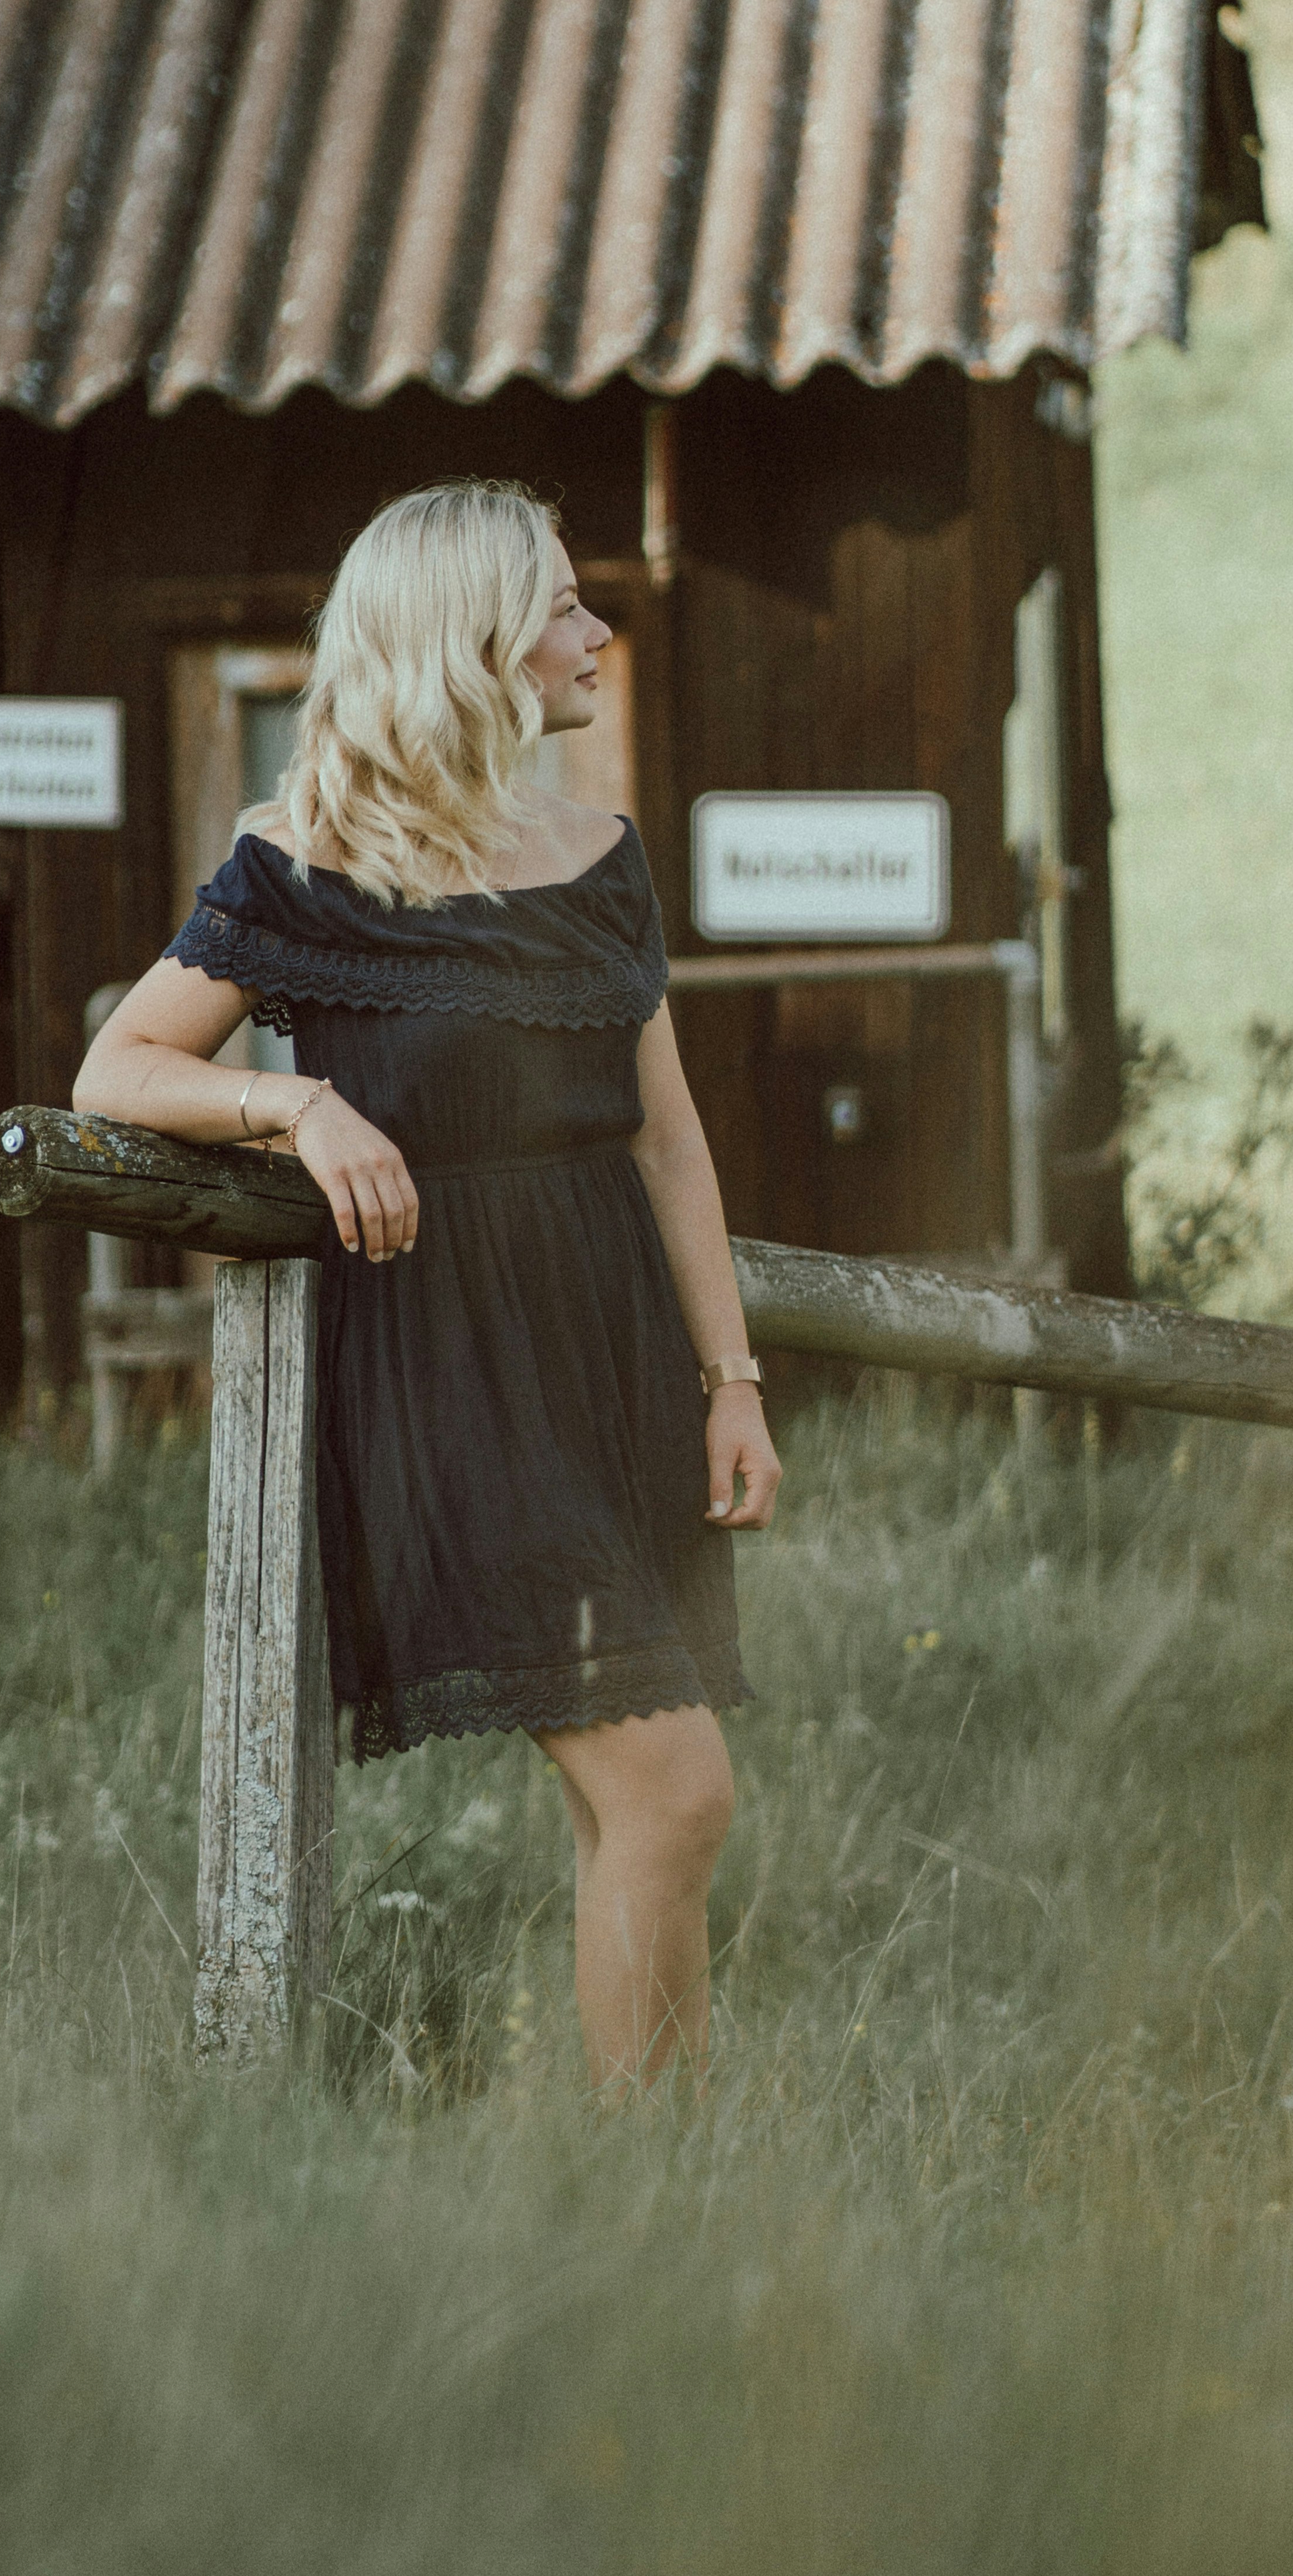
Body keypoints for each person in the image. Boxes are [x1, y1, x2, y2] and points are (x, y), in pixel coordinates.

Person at [76, 484, 780, 2094]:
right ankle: (653, 2170)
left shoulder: (601, 857)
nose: (599, 633)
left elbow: (668, 1140)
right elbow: (116, 1070)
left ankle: (656, 2186)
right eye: (562, 608)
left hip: (606, 1366)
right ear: (471, 639)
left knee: (638, 1807)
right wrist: (296, 1103)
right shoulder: (305, 862)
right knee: (677, 1790)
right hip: (451, 1375)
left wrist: (729, 1381)